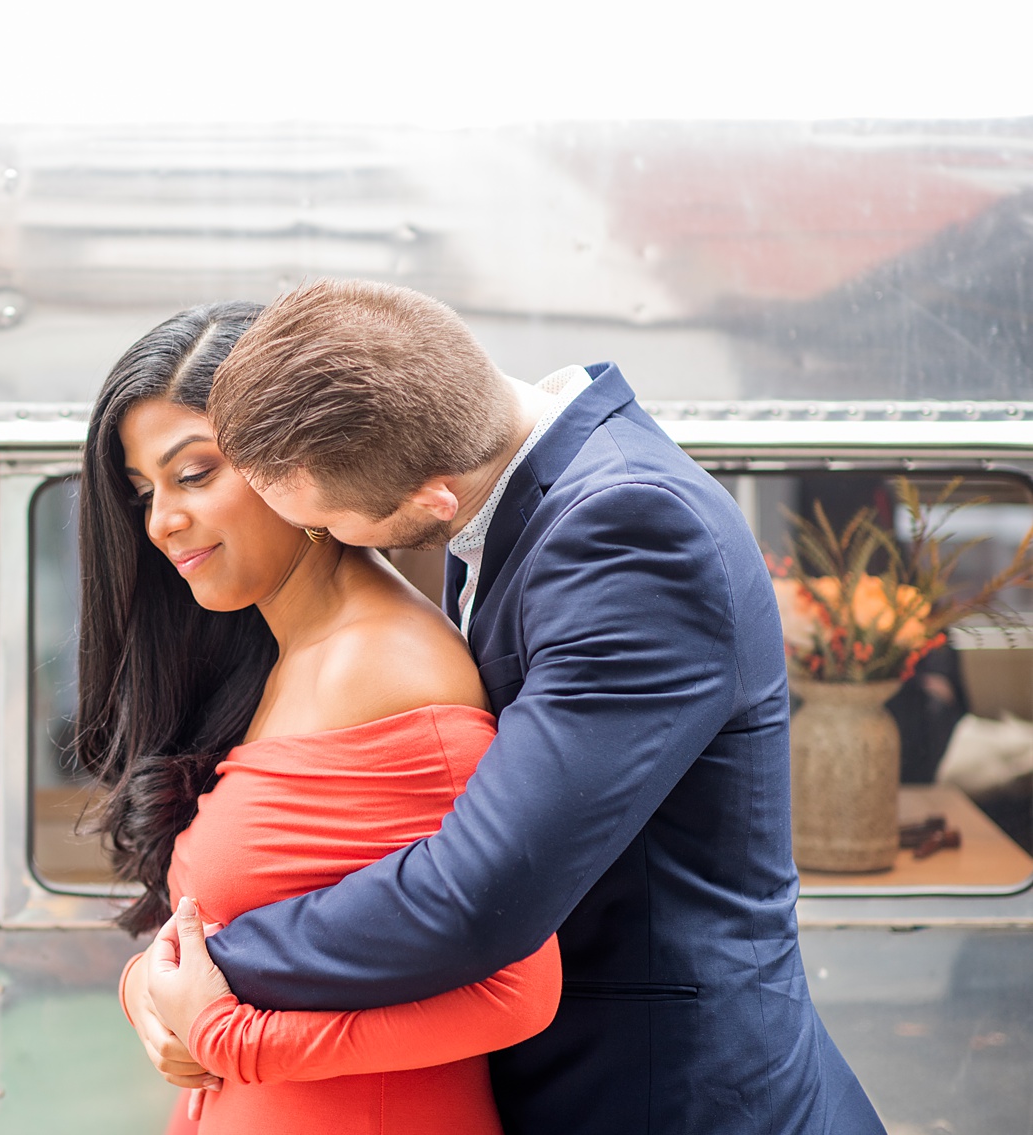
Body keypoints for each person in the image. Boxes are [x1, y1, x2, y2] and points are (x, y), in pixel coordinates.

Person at [132, 279, 887, 1134]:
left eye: (336, 525)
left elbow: (483, 890)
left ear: (431, 501)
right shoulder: (527, 489)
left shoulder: (632, 530)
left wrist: (204, 967)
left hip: (666, 1092)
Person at [75, 300, 561, 1134]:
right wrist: (150, 995)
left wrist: (237, 1039)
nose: (161, 521)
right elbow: (227, 921)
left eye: (192, 474)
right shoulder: (275, 658)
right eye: (143, 490)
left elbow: (515, 989)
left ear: (291, 463)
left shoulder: (388, 667)